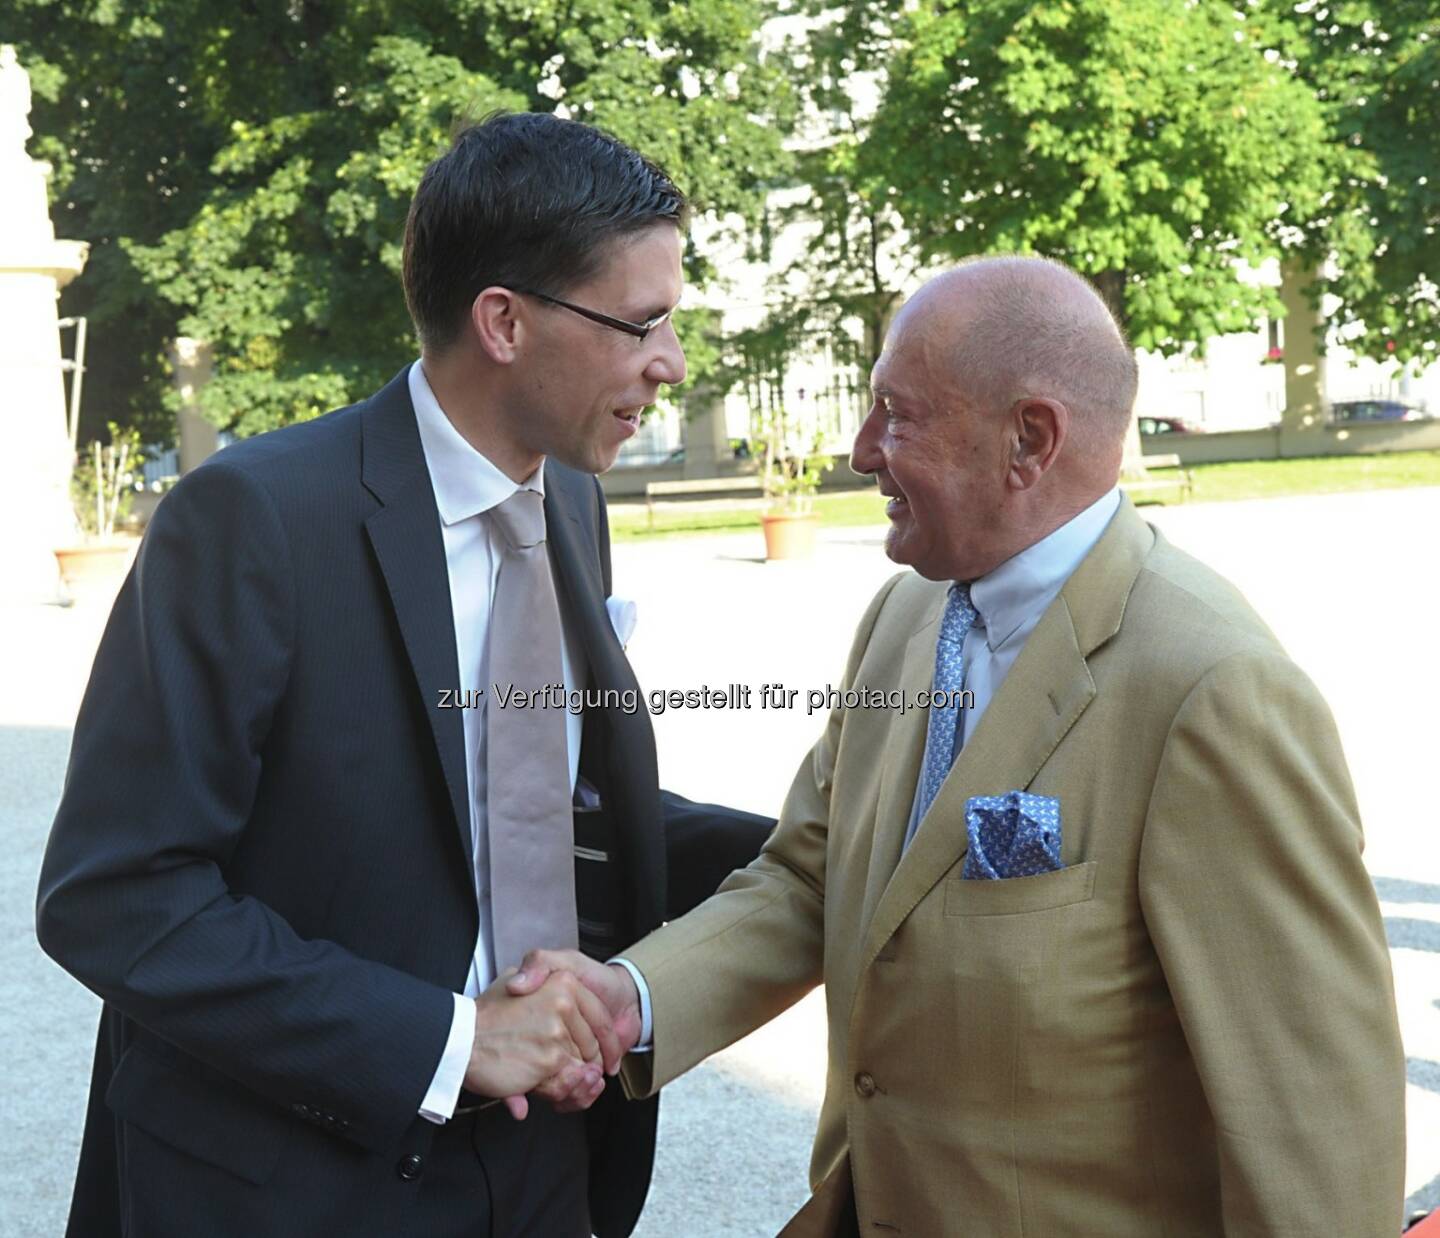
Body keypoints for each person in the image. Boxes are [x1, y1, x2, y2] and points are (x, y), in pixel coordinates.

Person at [513, 256, 1407, 1235]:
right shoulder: (907, 612)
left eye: (896, 414)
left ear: (1029, 440)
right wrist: (627, 997)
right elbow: (813, 879)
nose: (858, 451)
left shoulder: (1212, 688)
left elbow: (1311, 1124)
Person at [36, 112, 771, 1238]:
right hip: (296, 1185)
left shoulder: (570, 499)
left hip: (542, 1168)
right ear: (505, 323)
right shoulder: (253, 521)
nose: (669, 363)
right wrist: (451, 1040)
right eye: (642, 324)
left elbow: (537, 804)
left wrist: (820, 850)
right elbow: (117, 895)